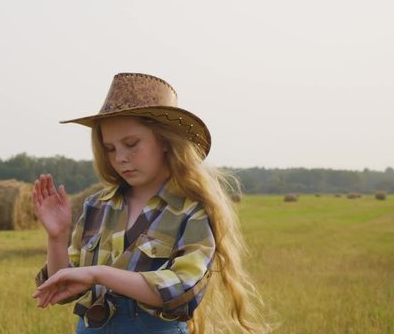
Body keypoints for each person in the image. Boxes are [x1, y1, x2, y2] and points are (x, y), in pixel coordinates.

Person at [32, 73, 268, 333]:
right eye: (109, 148)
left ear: (165, 141)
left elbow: (180, 288)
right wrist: (56, 237)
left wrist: (98, 274)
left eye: (131, 144)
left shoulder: (190, 211)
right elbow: (62, 289)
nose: (120, 157)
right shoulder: (97, 206)